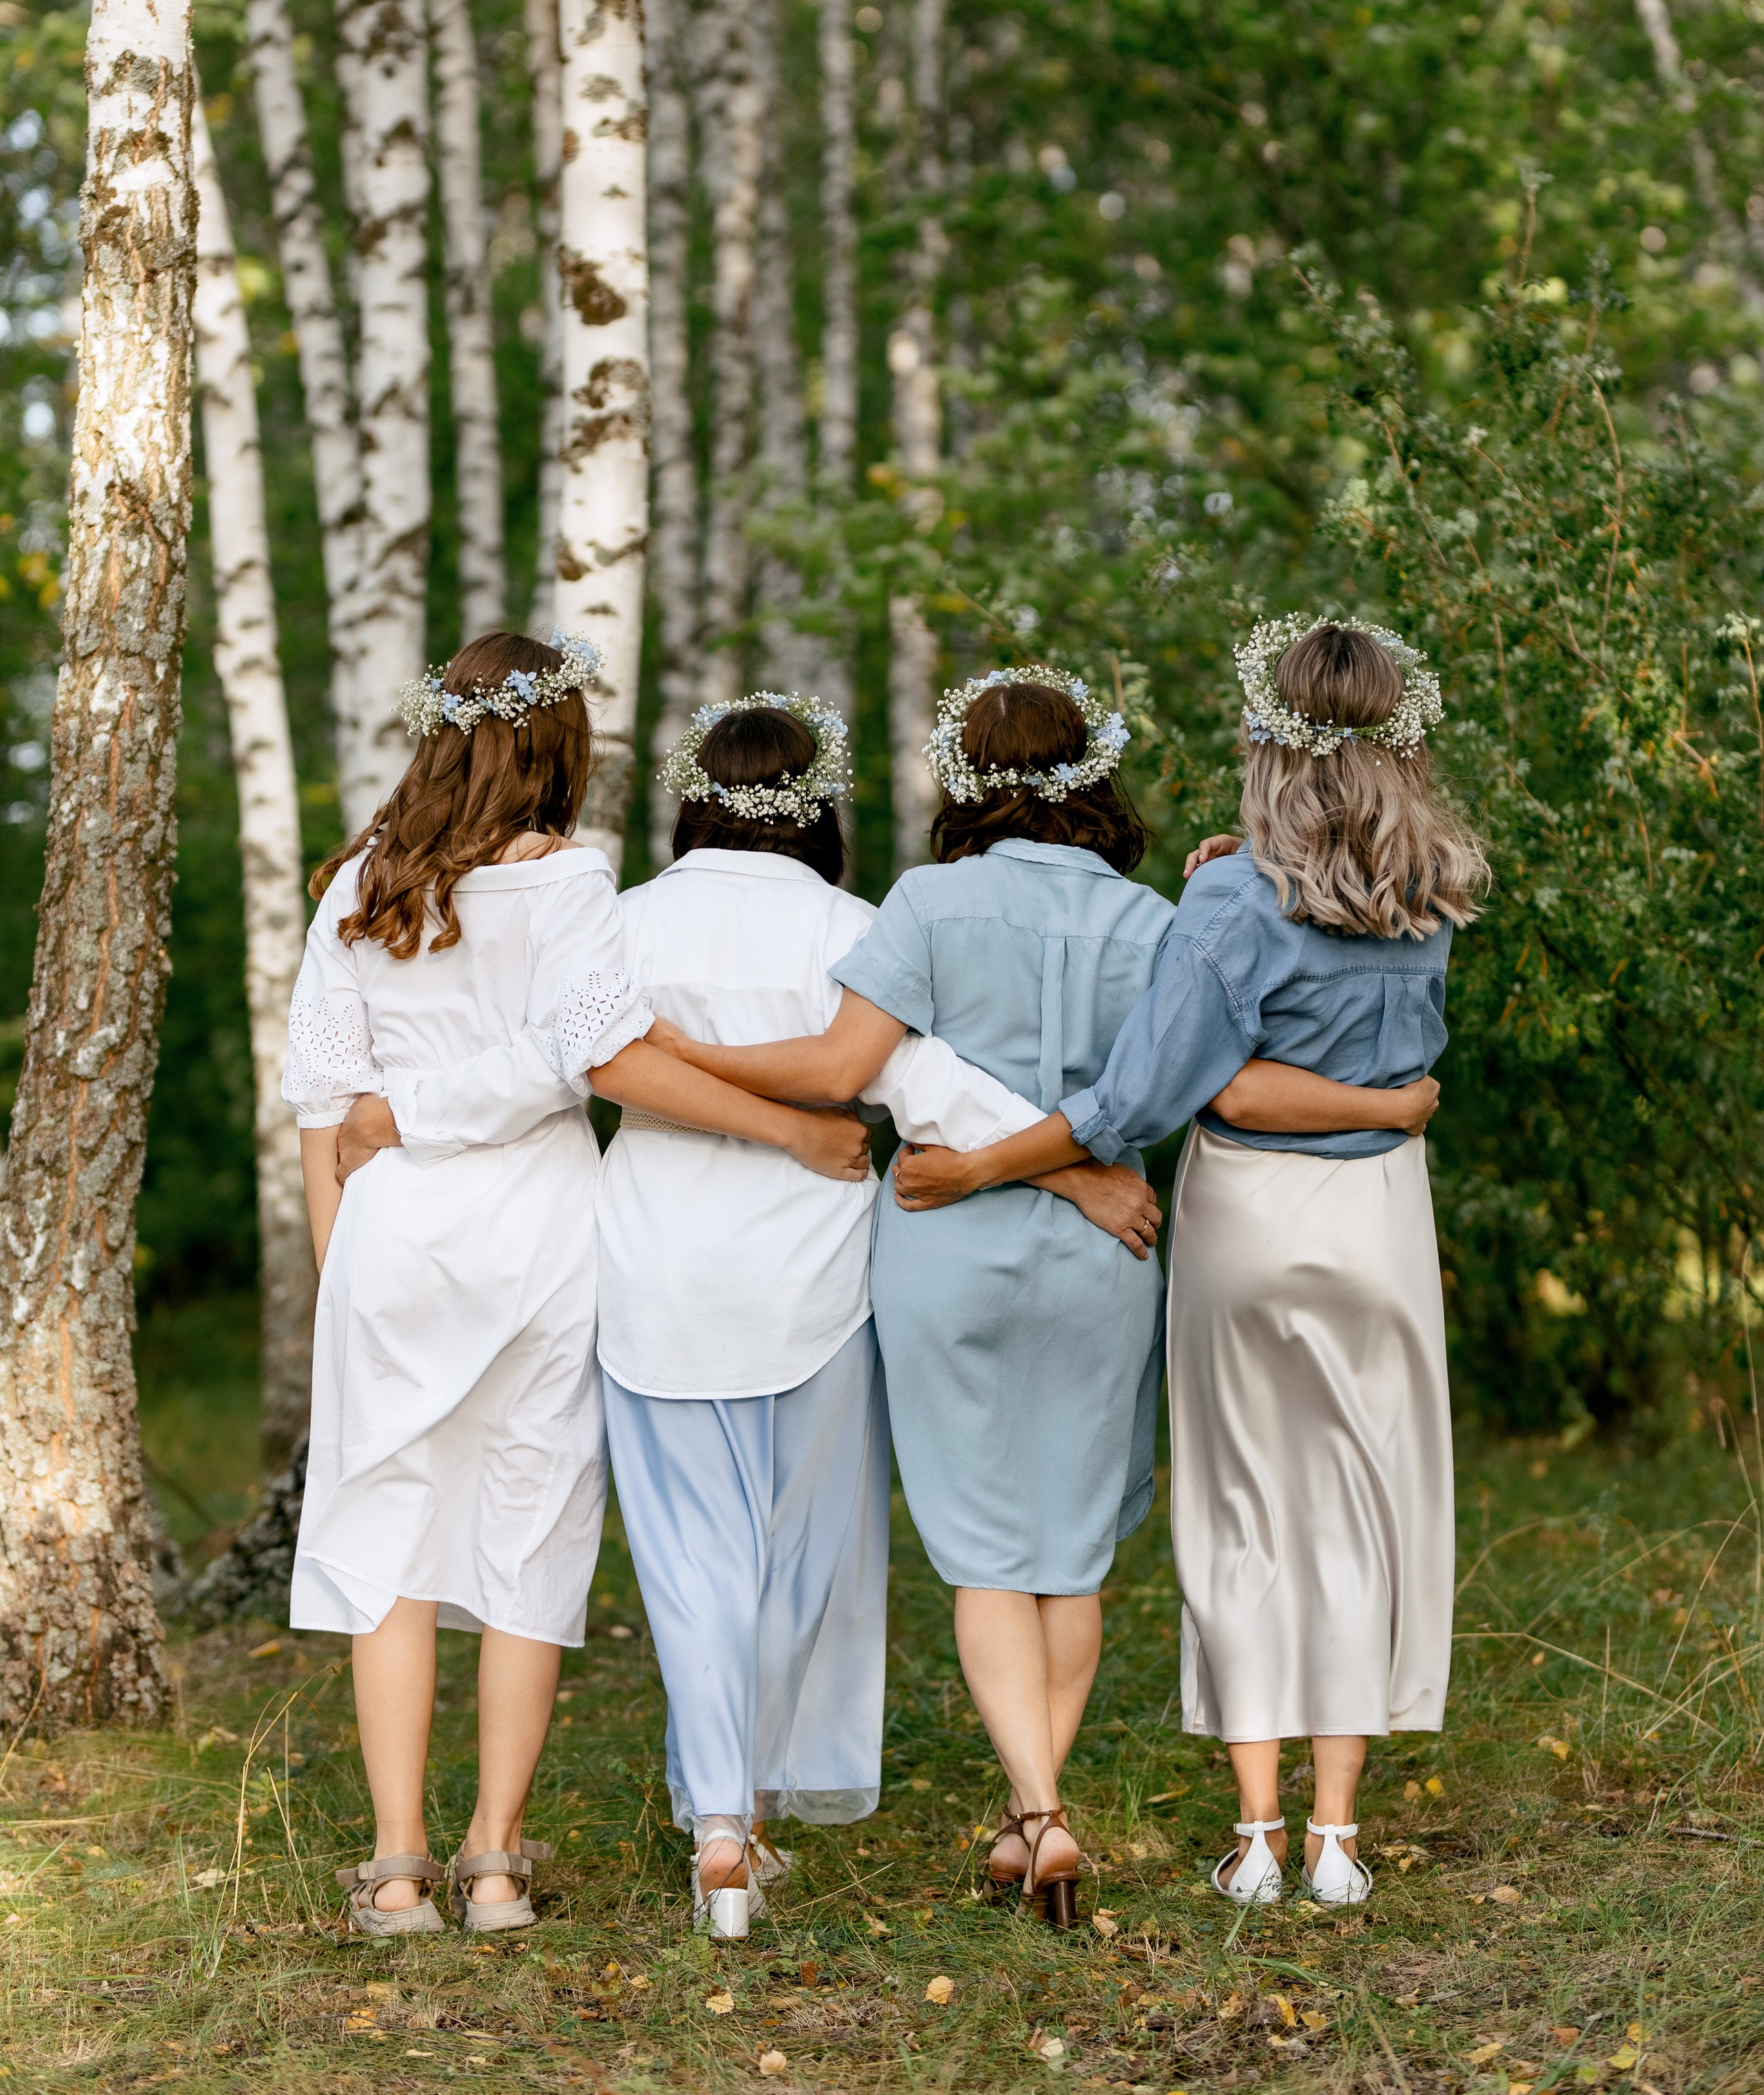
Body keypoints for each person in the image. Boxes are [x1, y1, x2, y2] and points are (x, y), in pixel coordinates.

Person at [645, 665, 1437, 1925]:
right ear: (1095, 775)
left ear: (963, 780)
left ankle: (1039, 1812)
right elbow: (1173, 1081)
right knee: (1069, 1559)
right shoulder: (1152, 918)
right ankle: (1037, 1805)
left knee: (982, 1560)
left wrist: (678, 1049)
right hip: (1101, 1256)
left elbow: (849, 1069)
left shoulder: (926, 902)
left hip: (945, 1239)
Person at [331, 691, 1118, 1938]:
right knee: (796, 1557)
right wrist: (1072, 1167)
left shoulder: (621, 917)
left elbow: (590, 1060)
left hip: (653, 1268)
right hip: (812, 1277)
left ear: (699, 794)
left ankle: (714, 1835)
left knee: (691, 1565)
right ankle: (745, 1810)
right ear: (818, 806)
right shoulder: (857, 926)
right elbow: (924, 1084)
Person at [285, 635, 871, 1938]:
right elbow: (592, 1058)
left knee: (392, 1545)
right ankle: (493, 1862)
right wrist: (790, 1131)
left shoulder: (352, 893)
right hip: (543, 1232)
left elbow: (327, 1114)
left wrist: (347, 1268)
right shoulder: (575, 886)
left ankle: (396, 1865)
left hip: (391, 1239)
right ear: (560, 747)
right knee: (528, 1533)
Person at [894, 621, 1484, 1910]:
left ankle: (1259, 1836)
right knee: (1365, 1505)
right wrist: (1387, 1113)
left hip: (1255, 1222)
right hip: (1382, 1216)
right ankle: (1337, 1836)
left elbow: (1155, 1095)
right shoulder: (1436, 884)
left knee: (1245, 1508)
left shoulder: (1230, 897)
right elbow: (1387, 1070)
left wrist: (995, 1164)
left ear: (1270, 737)